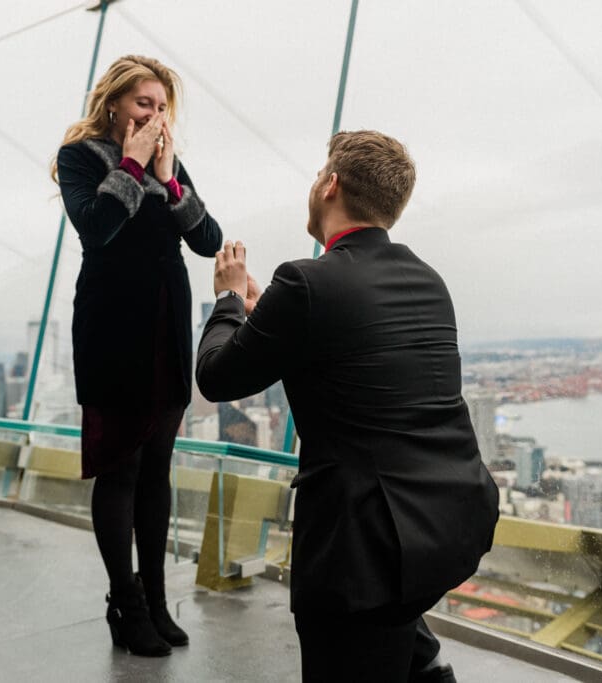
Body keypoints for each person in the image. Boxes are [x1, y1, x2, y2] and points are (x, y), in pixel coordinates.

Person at [196, 131, 500, 681]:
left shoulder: (305, 281)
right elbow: (366, 373)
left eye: (319, 173)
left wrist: (227, 301)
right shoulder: (427, 281)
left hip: (362, 552)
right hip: (445, 522)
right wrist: (270, 318)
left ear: (331, 184)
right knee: (396, 638)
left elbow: (216, 378)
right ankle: (426, 663)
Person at [52, 55, 222, 657]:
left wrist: (171, 179)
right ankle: (123, 603)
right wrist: (130, 163)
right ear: (116, 104)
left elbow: (208, 240)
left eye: (160, 106)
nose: (153, 115)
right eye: (142, 103)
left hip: (166, 326)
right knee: (119, 466)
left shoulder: (170, 164)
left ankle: (153, 598)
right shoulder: (81, 157)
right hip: (111, 325)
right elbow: (96, 225)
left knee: (158, 468)